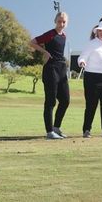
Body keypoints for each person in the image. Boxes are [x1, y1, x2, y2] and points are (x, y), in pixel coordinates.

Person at [29, 12, 70, 140]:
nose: (61, 24)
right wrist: (45, 51)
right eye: (59, 21)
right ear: (55, 21)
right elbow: (32, 42)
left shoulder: (64, 36)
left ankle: (56, 128)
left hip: (61, 69)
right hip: (50, 69)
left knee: (65, 100)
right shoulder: (50, 34)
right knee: (51, 101)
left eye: (63, 22)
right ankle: (49, 132)